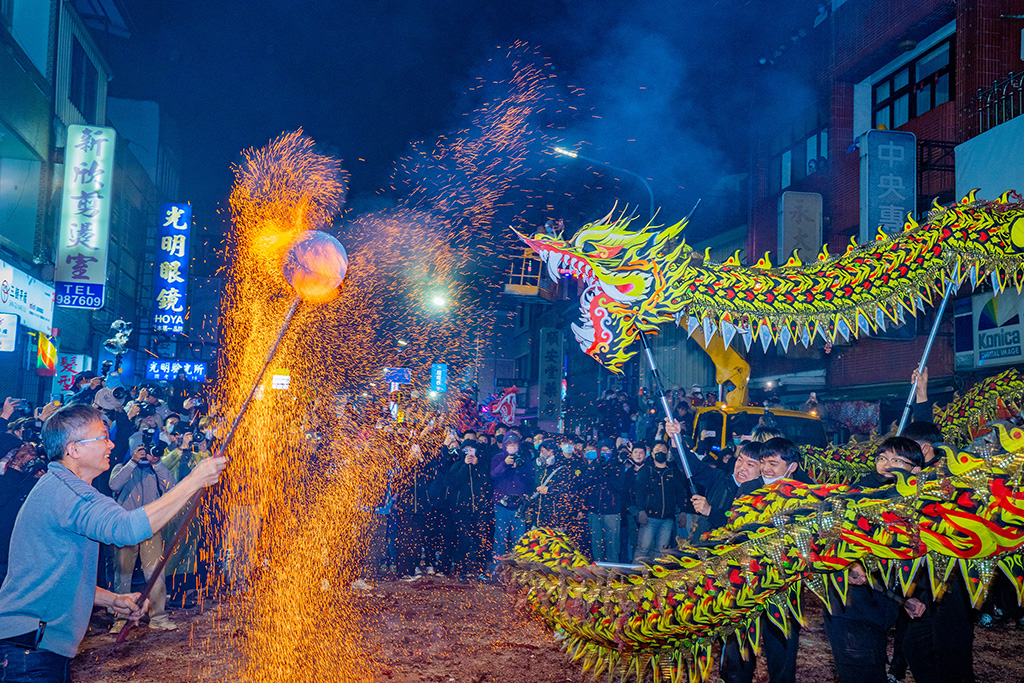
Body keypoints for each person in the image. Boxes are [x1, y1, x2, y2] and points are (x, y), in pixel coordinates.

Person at [0, 404, 225, 682]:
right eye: (102, 437)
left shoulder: (58, 485)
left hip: (30, 645)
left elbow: (57, 576)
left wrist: (113, 599)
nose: (111, 443)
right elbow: (127, 529)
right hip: (30, 651)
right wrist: (194, 481)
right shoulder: (69, 492)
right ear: (74, 450)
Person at [823, 436, 927, 683]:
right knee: (860, 669)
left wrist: (909, 597)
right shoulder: (860, 492)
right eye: (882, 458)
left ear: (916, 469)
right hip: (851, 606)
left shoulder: (913, 500)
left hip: (881, 605)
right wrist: (851, 563)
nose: (886, 464)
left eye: (896, 460)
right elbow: (829, 533)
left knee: (873, 665)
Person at [108, 422, 181, 633]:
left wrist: (156, 464)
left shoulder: (155, 469)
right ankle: (120, 619)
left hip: (151, 526)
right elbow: (114, 485)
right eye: (139, 449)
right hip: (126, 527)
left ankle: (158, 617)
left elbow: (171, 488)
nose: (143, 453)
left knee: (155, 573)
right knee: (123, 574)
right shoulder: (121, 468)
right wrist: (132, 461)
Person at [633, 442, 689, 562]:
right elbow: (638, 492)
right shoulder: (646, 471)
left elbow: (681, 492)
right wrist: (641, 511)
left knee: (661, 551)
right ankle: (635, 576)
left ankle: (657, 578)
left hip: (667, 518)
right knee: (643, 549)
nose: (660, 452)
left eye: (663, 450)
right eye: (657, 449)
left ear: (668, 453)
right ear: (652, 454)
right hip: (649, 517)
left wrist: (683, 511)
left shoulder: (673, 471)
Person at [447, 439, 493, 581]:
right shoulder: (457, 465)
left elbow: (486, 482)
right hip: (462, 510)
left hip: (479, 509)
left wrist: (476, 465)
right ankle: (461, 571)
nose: (469, 452)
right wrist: (465, 466)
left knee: (480, 541)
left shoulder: (481, 465)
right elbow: (455, 482)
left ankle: (481, 571)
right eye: (466, 449)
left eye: (472, 449)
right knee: (463, 541)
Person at [490, 432, 533, 568]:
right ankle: (497, 568)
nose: (512, 447)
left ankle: (517, 570)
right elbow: (493, 475)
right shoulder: (498, 458)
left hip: (519, 506)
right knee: (500, 539)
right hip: (501, 505)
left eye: (515, 444)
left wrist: (520, 468)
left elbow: (531, 477)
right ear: (504, 445)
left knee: (519, 540)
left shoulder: (525, 458)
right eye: (509, 444)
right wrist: (505, 464)